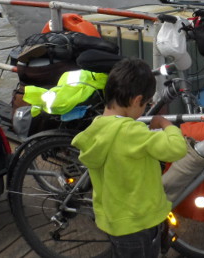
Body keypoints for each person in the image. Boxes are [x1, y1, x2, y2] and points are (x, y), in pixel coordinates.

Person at [72, 58, 187, 257]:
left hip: (115, 222)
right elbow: (176, 148)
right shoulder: (131, 132)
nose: (145, 108)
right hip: (139, 222)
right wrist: (166, 125)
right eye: (146, 103)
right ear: (136, 101)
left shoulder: (97, 128)